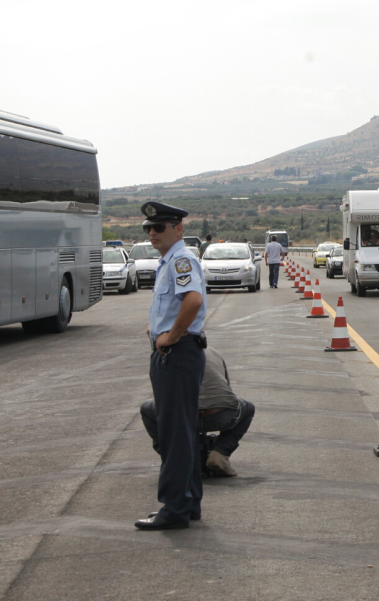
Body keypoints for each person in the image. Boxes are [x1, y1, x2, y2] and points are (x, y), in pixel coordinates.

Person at [135, 201, 207, 531]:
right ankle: (188, 502)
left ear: (178, 229)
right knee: (185, 431)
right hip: (179, 354)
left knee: (174, 433)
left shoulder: (180, 259)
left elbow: (193, 301)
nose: (152, 233)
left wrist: (170, 337)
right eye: (148, 228)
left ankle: (174, 508)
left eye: (159, 227)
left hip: (176, 356)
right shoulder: (171, 261)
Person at [140, 346, 255, 477]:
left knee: (146, 408)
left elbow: (161, 394)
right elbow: (227, 392)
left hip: (182, 416)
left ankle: (176, 457)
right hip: (219, 415)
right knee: (248, 408)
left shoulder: (164, 355)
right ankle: (220, 453)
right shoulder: (213, 351)